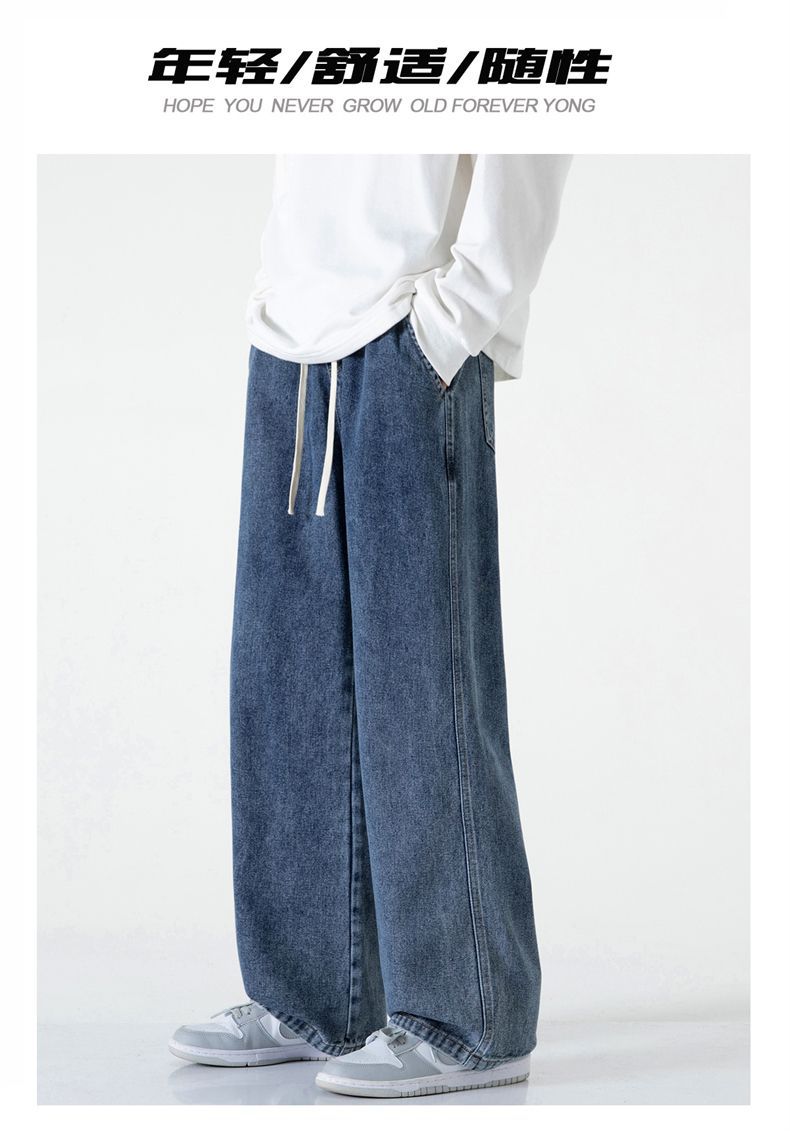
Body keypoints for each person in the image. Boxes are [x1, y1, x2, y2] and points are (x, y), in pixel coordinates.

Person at [169, 153, 572, 1099]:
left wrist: (458, 317)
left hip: (409, 335)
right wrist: (278, 285)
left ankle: (472, 1015)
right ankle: (317, 995)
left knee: (424, 684)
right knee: (285, 684)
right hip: (291, 336)